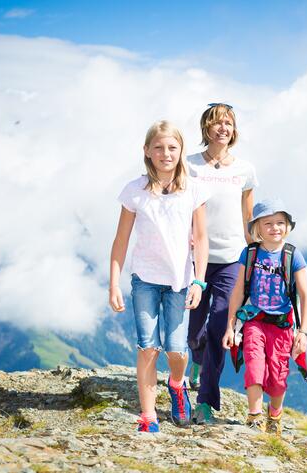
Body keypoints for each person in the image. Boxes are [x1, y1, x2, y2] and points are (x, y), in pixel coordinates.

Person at [109, 120, 209, 432]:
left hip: (180, 282)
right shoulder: (134, 191)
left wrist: (199, 281)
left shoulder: (192, 189)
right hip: (145, 280)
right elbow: (121, 240)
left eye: (172, 148)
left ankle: (177, 385)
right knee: (148, 347)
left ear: (181, 152)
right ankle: (149, 416)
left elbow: (202, 238)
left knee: (177, 350)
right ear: (147, 152)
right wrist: (114, 283)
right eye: (159, 147)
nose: (166, 153)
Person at [186, 103, 258, 424]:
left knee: (219, 329)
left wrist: (255, 256)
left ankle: (204, 402)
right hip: (194, 261)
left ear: (234, 129)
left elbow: (248, 217)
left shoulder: (245, 170)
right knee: (194, 331)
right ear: (206, 129)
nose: (223, 128)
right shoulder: (189, 166)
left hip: (232, 260)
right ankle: (196, 358)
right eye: (216, 123)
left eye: (228, 123)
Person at [222, 199, 307, 436]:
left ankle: (275, 414)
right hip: (254, 321)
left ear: (288, 226)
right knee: (254, 365)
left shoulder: (293, 255)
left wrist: (303, 332)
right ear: (257, 228)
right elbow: (239, 291)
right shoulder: (250, 253)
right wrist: (231, 326)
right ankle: (254, 415)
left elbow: (305, 295)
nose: (275, 228)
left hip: (282, 325)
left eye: (280, 223)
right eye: (268, 223)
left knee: (278, 375)